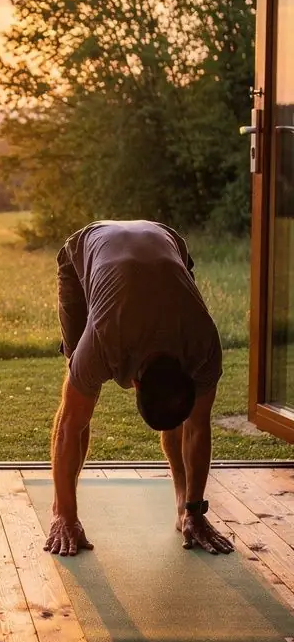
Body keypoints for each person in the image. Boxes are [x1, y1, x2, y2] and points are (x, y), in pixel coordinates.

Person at [48, 219, 233, 558]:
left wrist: (196, 509)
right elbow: (68, 425)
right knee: (77, 401)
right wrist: (66, 517)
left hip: (167, 243)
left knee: (90, 400)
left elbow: (197, 427)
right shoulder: (104, 343)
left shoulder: (203, 344)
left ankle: (184, 508)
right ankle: (63, 510)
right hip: (85, 251)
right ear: (133, 382)